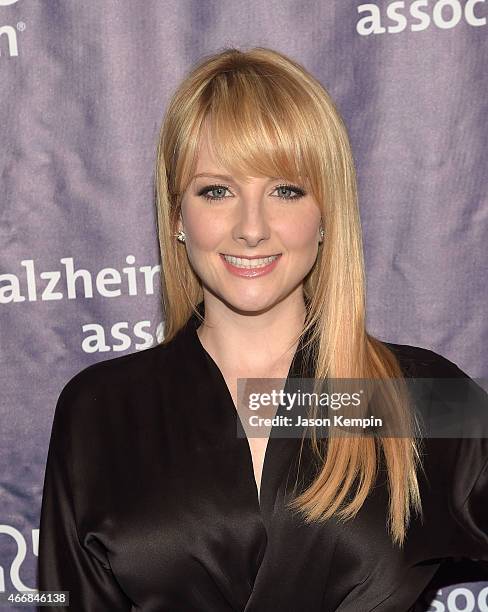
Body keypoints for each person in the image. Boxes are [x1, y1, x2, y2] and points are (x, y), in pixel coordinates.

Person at [37, 46, 488, 611]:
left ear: (327, 214)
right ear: (177, 215)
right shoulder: (102, 409)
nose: (252, 228)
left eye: (286, 190)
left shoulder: (416, 397)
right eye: (217, 191)